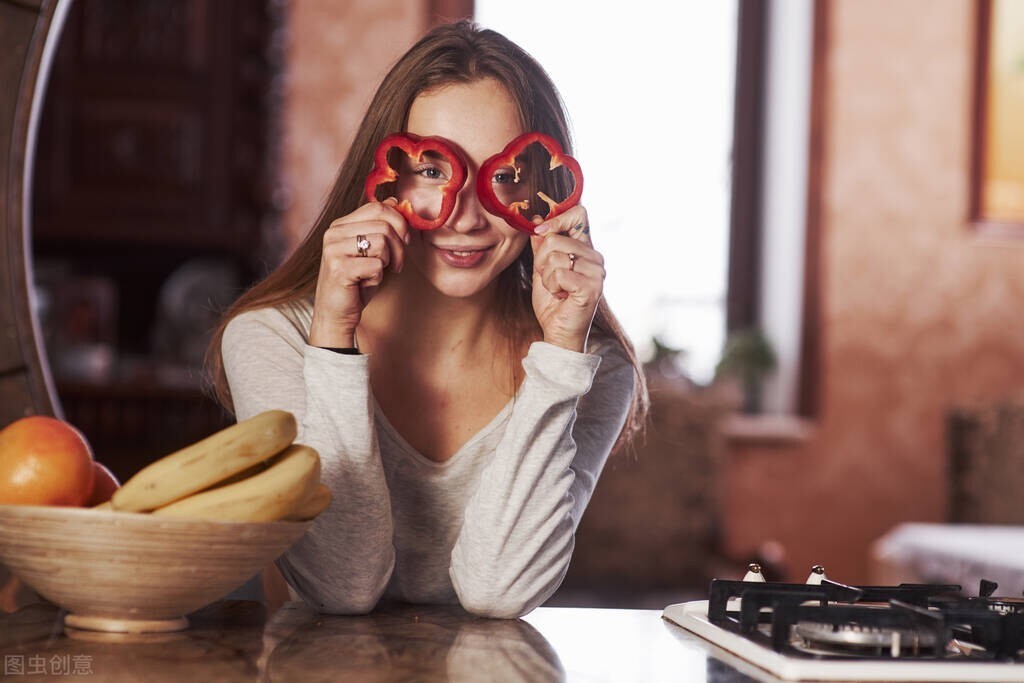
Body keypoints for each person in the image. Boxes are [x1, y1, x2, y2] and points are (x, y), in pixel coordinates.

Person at [206, 19, 648, 619]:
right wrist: (333, 341)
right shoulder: (270, 338)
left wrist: (560, 354)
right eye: (435, 170)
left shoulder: (590, 369)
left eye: (505, 177)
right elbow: (342, 584)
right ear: (383, 176)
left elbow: (500, 589)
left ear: (552, 190)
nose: (464, 220)